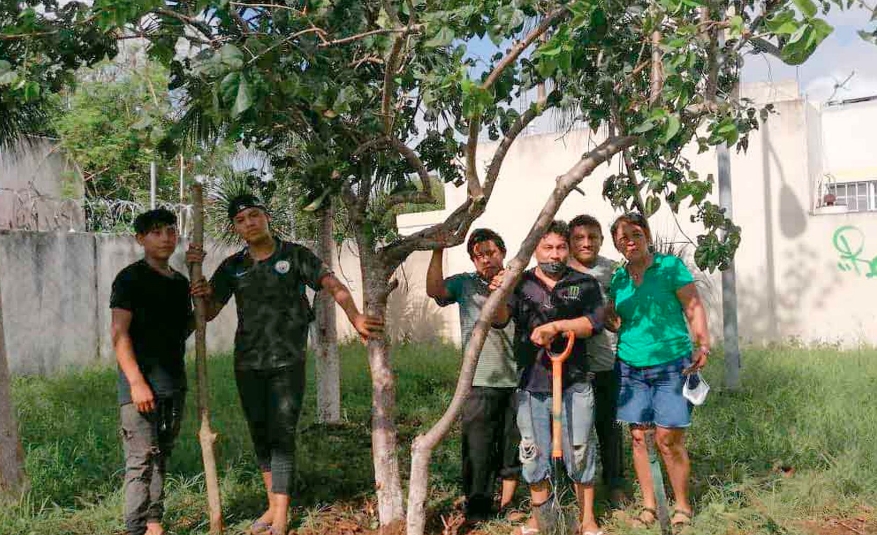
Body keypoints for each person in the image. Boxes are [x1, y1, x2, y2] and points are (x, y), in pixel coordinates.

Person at [188, 193, 383, 535]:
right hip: (247, 361)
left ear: (266, 217)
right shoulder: (234, 266)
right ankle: (271, 504)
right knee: (260, 433)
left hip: (286, 362)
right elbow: (210, 313)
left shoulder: (294, 255)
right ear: (236, 228)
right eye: (240, 220)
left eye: (253, 215)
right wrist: (199, 290)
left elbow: (331, 284)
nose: (248, 223)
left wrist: (355, 317)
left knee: (282, 434)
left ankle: (281, 516)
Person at [494, 220, 605, 535]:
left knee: (581, 449)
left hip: (575, 381)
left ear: (567, 249)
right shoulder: (521, 283)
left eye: (560, 247)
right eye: (547, 247)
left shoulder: (584, 283)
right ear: (535, 250)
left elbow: (593, 323)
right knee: (533, 451)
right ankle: (540, 519)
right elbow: (501, 319)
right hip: (532, 383)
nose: (554, 255)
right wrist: (501, 292)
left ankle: (586, 521)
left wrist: (556, 327)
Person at [606, 212, 709, 529]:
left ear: (646, 235)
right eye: (623, 238)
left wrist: (701, 344)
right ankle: (650, 506)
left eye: (635, 234)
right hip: (630, 367)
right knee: (639, 437)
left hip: (670, 365)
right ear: (617, 245)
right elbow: (616, 317)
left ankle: (681, 505)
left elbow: (693, 306)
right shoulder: (619, 279)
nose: (630, 241)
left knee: (668, 438)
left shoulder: (669, 267)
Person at [426, 229, 520, 522]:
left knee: (511, 446)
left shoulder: (517, 282)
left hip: (517, 379)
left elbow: (502, 320)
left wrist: (500, 291)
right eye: (478, 255)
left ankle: (508, 505)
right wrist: (438, 250)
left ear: (502, 253)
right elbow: (435, 291)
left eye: (491, 253)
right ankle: (478, 506)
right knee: (477, 448)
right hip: (477, 380)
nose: (486, 260)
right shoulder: (465, 284)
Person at [111, 209, 193, 535]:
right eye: (156, 232)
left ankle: (154, 522)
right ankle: (134, 529)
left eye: (170, 231)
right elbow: (119, 334)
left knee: (161, 456)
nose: (165, 238)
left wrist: (202, 300)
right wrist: (136, 382)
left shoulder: (180, 282)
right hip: (140, 387)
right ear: (141, 239)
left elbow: (182, 329)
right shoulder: (130, 278)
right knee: (140, 461)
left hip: (174, 383)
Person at [567, 215, 627, 507]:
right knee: (573, 431)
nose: (586, 243)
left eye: (592, 237)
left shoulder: (613, 270)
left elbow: (618, 313)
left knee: (610, 427)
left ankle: (615, 484)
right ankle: (572, 485)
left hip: (606, 363)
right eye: (579, 238)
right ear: (569, 241)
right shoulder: (559, 270)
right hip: (569, 366)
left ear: (602, 240)